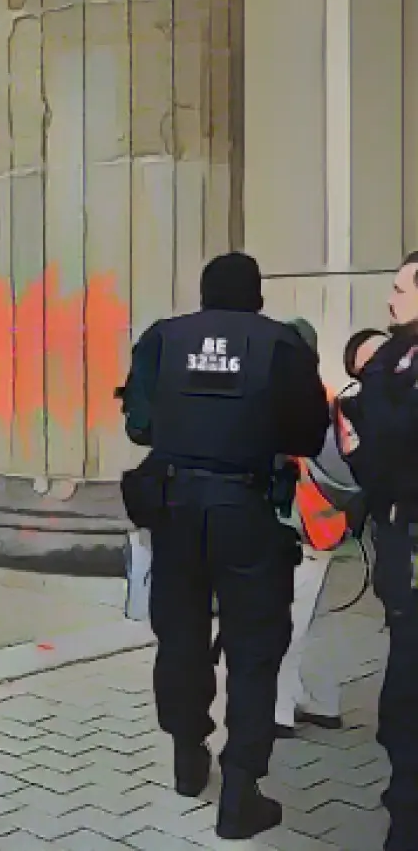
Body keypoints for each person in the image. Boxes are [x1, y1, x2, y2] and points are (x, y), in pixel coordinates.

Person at [119, 253, 329, 840]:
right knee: (255, 649)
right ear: (258, 295)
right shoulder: (281, 345)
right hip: (249, 510)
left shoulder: (163, 338)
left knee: (181, 636)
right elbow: (310, 433)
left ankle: (188, 754)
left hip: (176, 508)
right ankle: (241, 790)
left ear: (204, 293)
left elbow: (138, 425)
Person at [337, 252, 418, 851]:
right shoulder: (395, 363)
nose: (390, 299)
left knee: (406, 707)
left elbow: (391, 453)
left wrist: (362, 431)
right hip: (399, 552)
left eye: (399, 289)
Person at [273, 319, 364, 738]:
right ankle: (311, 699)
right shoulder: (328, 398)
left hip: (302, 526)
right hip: (325, 525)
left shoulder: (294, 399)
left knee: (288, 617)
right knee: (306, 617)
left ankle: (280, 710)